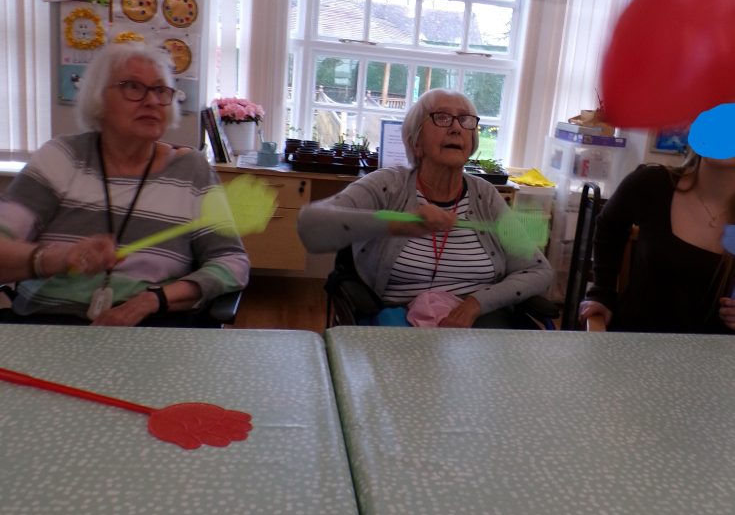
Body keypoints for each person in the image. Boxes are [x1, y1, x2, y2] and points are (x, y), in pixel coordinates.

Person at [0, 44, 249, 325]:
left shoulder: (193, 171)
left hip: (151, 327)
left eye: (160, 90)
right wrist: (63, 258)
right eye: (132, 87)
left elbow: (232, 262)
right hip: (50, 323)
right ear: (98, 99)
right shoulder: (62, 157)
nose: (152, 101)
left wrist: (155, 299)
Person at [297, 89, 552, 328]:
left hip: (477, 330)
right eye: (442, 118)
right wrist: (397, 223)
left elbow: (538, 270)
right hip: (401, 329)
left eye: (465, 120)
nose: (456, 128)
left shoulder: (485, 196)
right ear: (416, 142)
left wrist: (476, 303)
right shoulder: (388, 186)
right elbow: (311, 225)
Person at [579, 152, 735, 333]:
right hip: (635, 340)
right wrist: (602, 292)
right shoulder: (653, 183)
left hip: (717, 348)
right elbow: (609, 225)